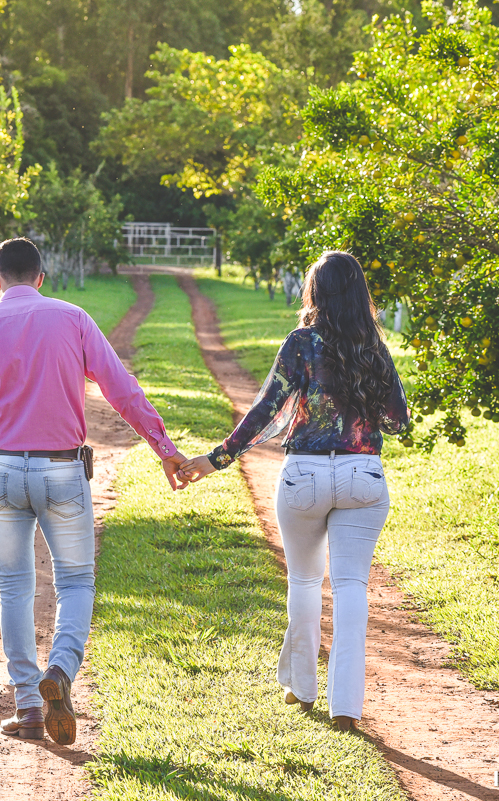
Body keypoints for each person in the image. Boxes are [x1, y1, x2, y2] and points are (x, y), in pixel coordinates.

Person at [0, 237, 188, 745]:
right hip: (62, 470)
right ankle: (62, 670)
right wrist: (164, 447)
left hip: (1, 469)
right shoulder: (73, 318)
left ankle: (29, 706)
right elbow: (122, 389)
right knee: (75, 582)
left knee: (13, 585)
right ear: (41, 278)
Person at [177, 250, 408, 733]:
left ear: (315, 292)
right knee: (351, 587)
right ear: (359, 293)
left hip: (305, 474)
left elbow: (266, 409)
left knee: (304, 582)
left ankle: (302, 689)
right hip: (362, 475)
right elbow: (398, 419)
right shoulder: (373, 345)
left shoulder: (302, 342)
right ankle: (346, 706)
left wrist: (216, 459)